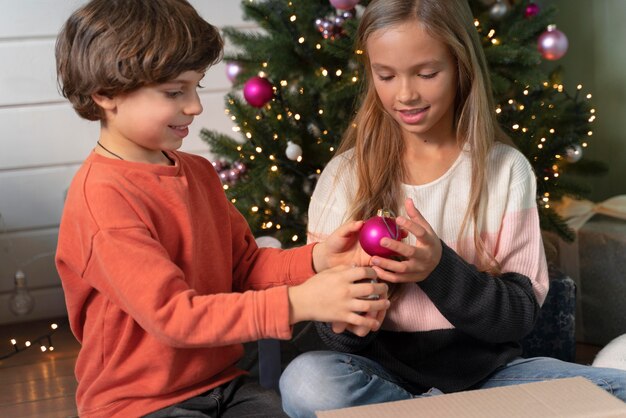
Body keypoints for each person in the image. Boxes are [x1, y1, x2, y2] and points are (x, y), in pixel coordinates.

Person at [279, 0, 626, 416]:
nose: (405, 94)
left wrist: (438, 268)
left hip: (488, 379)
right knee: (306, 381)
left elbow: (517, 318)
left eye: (427, 73)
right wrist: (354, 310)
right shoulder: (344, 176)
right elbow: (331, 336)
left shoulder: (505, 170)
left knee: (615, 390)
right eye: (385, 75)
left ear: (461, 66)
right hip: (379, 375)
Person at [53, 1, 390, 417]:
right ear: (105, 94)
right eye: (175, 92)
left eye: (195, 87)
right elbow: (174, 317)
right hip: (136, 406)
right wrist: (300, 302)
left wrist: (319, 259)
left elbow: (245, 268)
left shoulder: (197, 173)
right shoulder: (101, 199)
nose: (195, 106)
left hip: (222, 386)